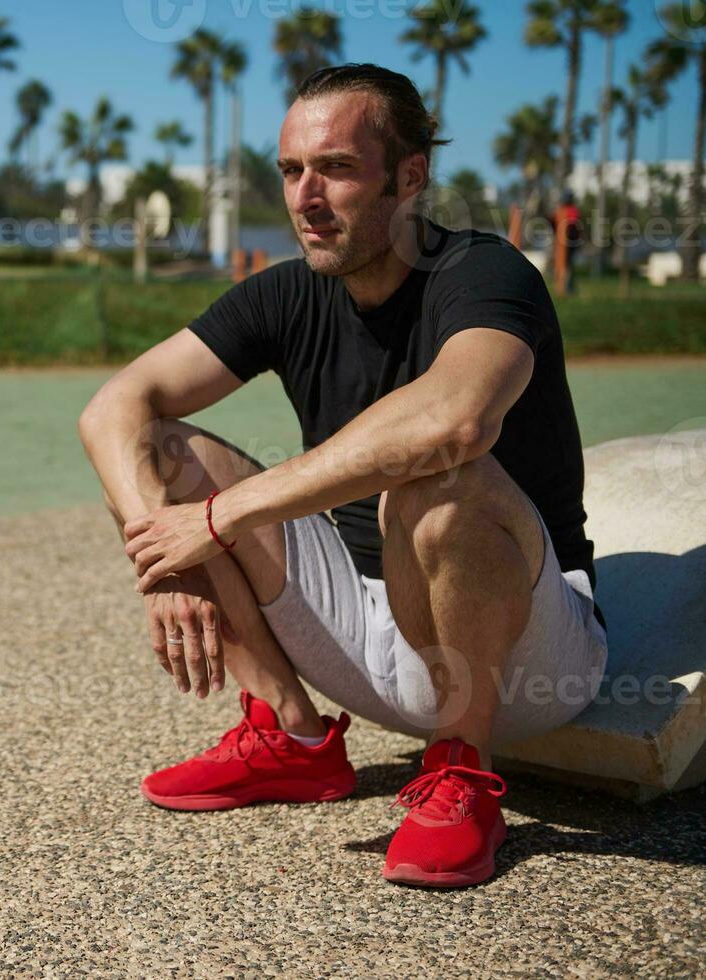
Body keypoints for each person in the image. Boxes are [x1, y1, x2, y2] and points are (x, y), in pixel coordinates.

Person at [78, 64, 608, 889]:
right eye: (291, 171)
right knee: (163, 452)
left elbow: (457, 417)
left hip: (526, 662)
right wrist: (165, 549)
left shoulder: (483, 273)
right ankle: (291, 737)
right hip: (362, 637)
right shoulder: (287, 293)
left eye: (335, 168)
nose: (304, 197)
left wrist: (218, 520)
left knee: (438, 472)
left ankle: (462, 768)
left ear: (410, 176)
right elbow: (116, 406)